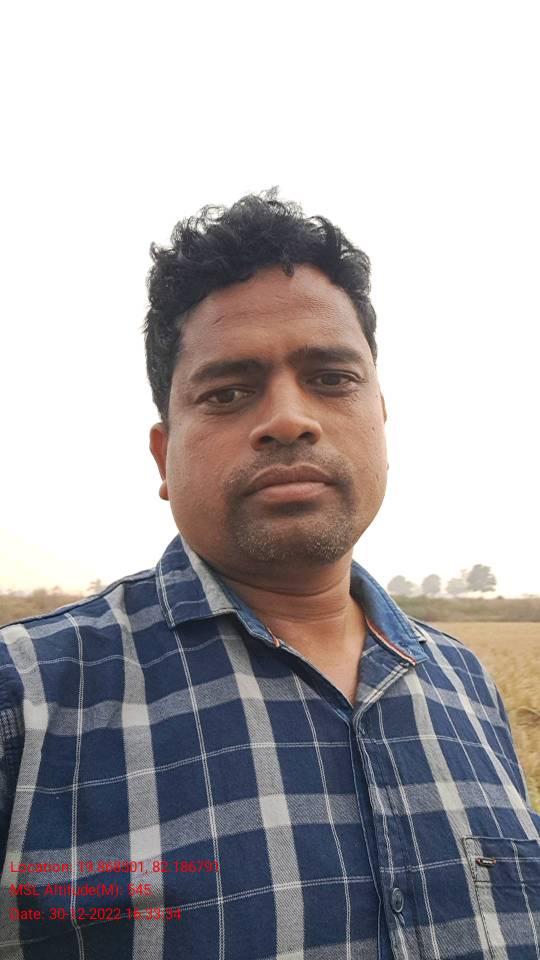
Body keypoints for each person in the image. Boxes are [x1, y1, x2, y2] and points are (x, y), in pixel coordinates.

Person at [0, 188, 538, 959]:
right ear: (164, 455)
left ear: (381, 423)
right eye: (228, 392)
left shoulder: (467, 687)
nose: (289, 418)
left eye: (332, 378)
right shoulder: (25, 699)